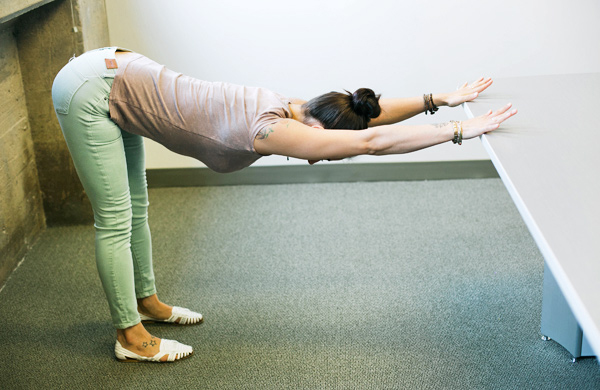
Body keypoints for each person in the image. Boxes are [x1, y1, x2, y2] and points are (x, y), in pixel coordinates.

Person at [51, 47, 517, 363]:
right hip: (92, 89)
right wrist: (456, 131)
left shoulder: (301, 107)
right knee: (115, 220)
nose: (324, 152)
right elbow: (371, 141)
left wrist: (437, 99)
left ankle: (147, 302)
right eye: (328, 146)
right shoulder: (268, 128)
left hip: (120, 73)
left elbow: (365, 114)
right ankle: (130, 338)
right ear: (319, 134)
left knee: (137, 205)